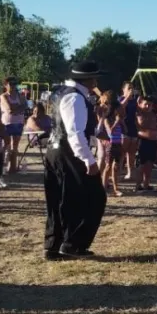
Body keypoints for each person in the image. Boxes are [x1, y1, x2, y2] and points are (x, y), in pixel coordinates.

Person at [43, 61, 107, 261]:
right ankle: (73, 244)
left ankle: (54, 245)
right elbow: (75, 133)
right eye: (94, 77)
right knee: (91, 198)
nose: (96, 81)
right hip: (69, 153)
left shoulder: (61, 92)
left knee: (59, 200)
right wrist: (89, 159)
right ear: (87, 79)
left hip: (55, 150)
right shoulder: (75, 97)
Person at [135, 96, 157, 192]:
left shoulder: (154, 115)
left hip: (153, 142)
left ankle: (146, 185)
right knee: (141, 164)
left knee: (150, 164)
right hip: (142, 142)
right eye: (145, 104)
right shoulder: (138, 113)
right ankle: (137, 186)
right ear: (140, 103)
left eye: (149, 104)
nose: (147, 106)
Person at [0, 77, 27, 174]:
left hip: (18, 122)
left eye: (15, 83)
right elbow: (9, 108)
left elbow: (25, 106)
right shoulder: (4, 96)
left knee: (15, 146)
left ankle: (13, 167)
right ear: (5, 85)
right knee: (6, 145)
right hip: (7, 123)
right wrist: (18, 108)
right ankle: (2, 167)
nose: (13, 85)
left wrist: (16, 108)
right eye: (11, 84)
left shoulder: (20, 96)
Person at [120, 81, 139, 180]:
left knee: (131, 153)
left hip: (133, 128)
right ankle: (118, 172)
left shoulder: (135, 101)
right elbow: (120, 107)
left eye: (132, 88)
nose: (131, 90)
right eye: (129, 88)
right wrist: (127, 97)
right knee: (122, 152)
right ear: (124, 90)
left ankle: (130, 173)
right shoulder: (121, 99)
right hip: (123, 128)